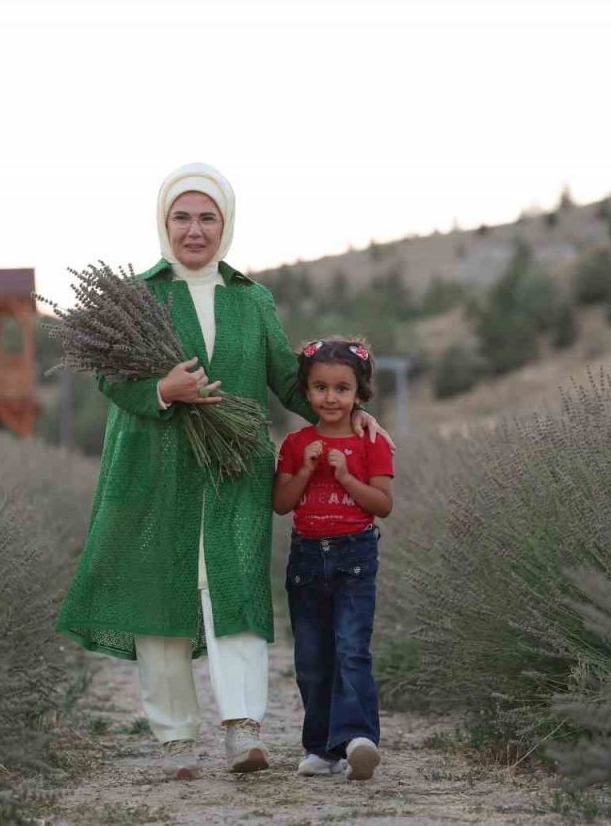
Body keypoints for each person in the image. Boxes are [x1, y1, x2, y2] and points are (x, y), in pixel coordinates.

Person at [56, 163, 393, 780]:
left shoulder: (251, 299)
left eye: (207, 216)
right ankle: (176, 737)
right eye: (182, 216)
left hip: (235, 468)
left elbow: (291, 380)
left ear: (226, 223)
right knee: (163, 592)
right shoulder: (134, 296)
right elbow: (110, 378)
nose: (194, 229)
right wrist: (163, 388)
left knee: (234, 590)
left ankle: (244, 730)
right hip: (154, 467)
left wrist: (353, 412)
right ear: (164, 222)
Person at [273, 338, 393, 781]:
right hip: (306, 560)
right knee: (311, 657)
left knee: (351, 650)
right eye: (320, 387)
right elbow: (282, 503)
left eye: (341, 389)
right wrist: (305, 470)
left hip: (355, 557)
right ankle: (322, 749)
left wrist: (344, 475)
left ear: (359, 394)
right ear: (306, 391)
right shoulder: (294, 443)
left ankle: (360, 740)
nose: (330, 397)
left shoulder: (371, 441)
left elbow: (382, 504)